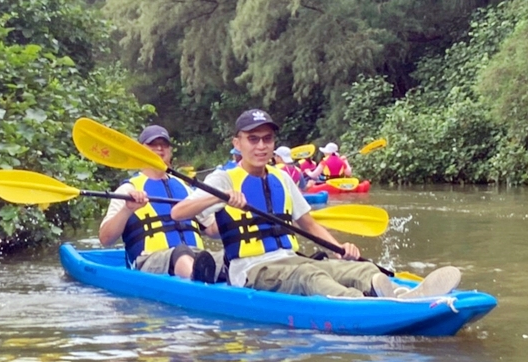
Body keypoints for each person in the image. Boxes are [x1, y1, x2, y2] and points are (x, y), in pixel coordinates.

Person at [170, 109, 460, 299]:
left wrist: (339, 250)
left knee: (355, 270)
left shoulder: (282, 178)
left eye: (267, 139)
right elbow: (178, 212)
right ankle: (361, 304)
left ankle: (397, 294)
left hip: (288, 258)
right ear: (238, 143)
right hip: (250, 270)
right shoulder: (224, 179)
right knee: (310, 273)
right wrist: (219, 197)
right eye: (253, 139)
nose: (261, 146)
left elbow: (308, 224)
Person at [99, 125, 222, 283]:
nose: (159, 148)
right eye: (152, 144)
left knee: (228, 257)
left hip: (196, 255)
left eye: (164, 144)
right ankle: (197, 281)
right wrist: (127, 210)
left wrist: (229, 207)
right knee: (181, 253)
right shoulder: (128, 189)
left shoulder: (186, 188)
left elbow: (213, 230)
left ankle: (207, 276)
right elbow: (105, 239)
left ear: (170, 151)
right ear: (140, 150)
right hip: (150, 261)